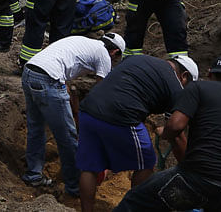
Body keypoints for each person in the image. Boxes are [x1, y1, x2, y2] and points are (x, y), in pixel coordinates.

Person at [113, 55, 221, 212]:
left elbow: (175, 126)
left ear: (209, 74)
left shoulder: (198, 88)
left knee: (135, 200)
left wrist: (164, 133)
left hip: (197, 180)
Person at [76, 54, 198, 212]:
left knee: (89, 167)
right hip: (121, 116)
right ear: (184, 76)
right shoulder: (175, 87)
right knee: (146, 163)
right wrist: (190, 169)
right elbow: (177, 134)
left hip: (88, 110)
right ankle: (133, 208)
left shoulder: (137, 59)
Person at [21, 33, 126, 197]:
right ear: (115, 52)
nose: (112, 63)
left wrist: (72, 103)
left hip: (29, 72)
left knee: (36, 128)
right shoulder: (104, 55)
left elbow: (65, 68)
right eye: (115, 59)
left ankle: (33, 175)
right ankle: (75, 187)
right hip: (49, 79)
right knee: (68, 138)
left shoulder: (84, 42)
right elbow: (101, 94)